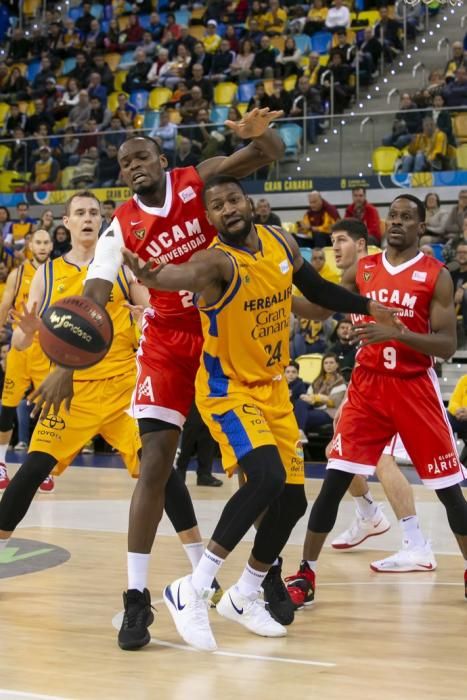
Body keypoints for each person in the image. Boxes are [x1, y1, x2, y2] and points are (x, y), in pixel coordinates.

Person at [30, 110, 292, 652]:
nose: (132, 168)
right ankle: (135, 597)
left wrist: (255, 134)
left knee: (258, 466)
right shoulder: (118, 230)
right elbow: (92, 306)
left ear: (162, 161)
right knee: (154, 465)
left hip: (224, 335)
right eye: (124, 163)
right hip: (168, 345)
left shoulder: (199, 181)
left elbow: (268, 153)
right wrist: (63, 365)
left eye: (141, 157)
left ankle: (262, 577)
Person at [122, 174, 397, 651]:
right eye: (218, 205)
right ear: (208, 219)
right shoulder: (213, 261)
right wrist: (150, 275)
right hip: (228, 389)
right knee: (265, 478)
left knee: (291, 502)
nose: (228, 208)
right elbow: (178, 276)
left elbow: (318, 290)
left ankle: (246, 592)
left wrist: (369, 305)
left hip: (272, 388)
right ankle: (193, 588)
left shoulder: (279, 241)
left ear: (250, 204)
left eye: (234, 199)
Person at [0, 193, 215, 621]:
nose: (87, 219)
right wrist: (25, 335)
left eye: (94, 213)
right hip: (71, 395)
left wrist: (143, 314)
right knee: (28, 475)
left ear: (103, 221)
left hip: (123, 391)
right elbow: (23, 342)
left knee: (163, 476)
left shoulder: (119, 265)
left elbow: (152, 311)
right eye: (79, 213)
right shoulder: (47, 272)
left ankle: (201, 571)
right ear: (66, 221)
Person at [286, 196, 467, 607]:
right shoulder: (362, 269)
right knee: (334, 482)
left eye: (407, 218)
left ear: (422, 228)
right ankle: (306, 574)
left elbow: (447, 343)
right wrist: (278, 296)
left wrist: (397, 334)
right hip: (368, 389)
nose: (398, 223)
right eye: (393, 217)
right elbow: (320, 306)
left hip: (414, 388)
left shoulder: (436, 276)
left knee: (448, 490)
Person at [0, 230, 53, 492]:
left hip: (47, 350)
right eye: (38, 242)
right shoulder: (18, 274)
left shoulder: (58, 273)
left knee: (47, 411)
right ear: (30, 245)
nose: (42, 246)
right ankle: (0, 462)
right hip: (20, 349)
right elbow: (4, 305)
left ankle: (42, 467)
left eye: (46, 242)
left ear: (52, 245)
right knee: (7, 408)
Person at [293, 353, 346, 435]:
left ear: (337, 365)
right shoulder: (318, 380)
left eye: (331, 363)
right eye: (326, 363)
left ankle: (298, 434)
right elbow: (308, 395)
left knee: (300, 416)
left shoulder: (340, 382)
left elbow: (333, 402)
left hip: (329, 412)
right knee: (300, 403)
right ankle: (300, 433)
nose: (328, 365)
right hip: (314, 407)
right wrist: (310, 398)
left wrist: (316, 398)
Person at [176, 403, 222, 487]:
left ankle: (204, 474)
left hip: (209, 399)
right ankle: (180, 472)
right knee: (191, 430)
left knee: (208, 430)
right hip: (192, 398)